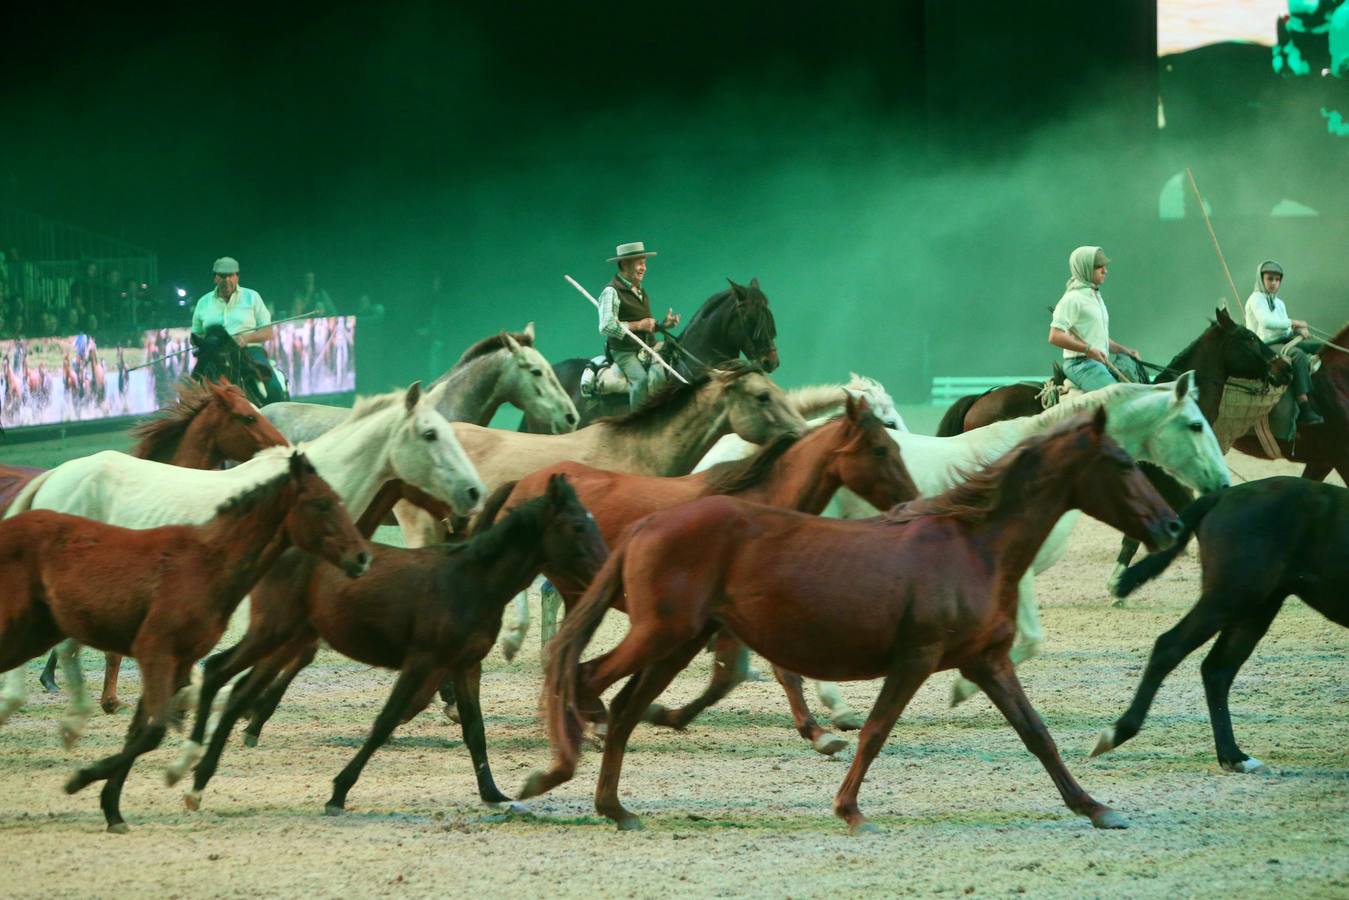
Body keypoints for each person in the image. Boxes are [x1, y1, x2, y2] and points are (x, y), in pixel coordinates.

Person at [596, 241, 680, 408]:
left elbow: (646, 325)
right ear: (625, 264)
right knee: (640, 381)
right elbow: (606, 326)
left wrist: (663, 325)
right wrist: (638, 325)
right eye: (640, 263)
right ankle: (637, 424)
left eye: (645, 263)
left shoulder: (639, 290)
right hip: (625, 350)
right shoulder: (611, 292)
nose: (644, 268)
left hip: (648, 346)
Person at [1047, 245, 1141, 391]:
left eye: (1105, 266)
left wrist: (1125, 351)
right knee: (1117, 396)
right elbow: (1055, 336)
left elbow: (1099, 338)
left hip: (1098, 363)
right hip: (1080, 365)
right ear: (1084, 268)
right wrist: (1088, 350)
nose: (1105, 271)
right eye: (1098, 267)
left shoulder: (1095, 296)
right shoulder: (1072, 299)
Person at [190, 256, 284, 400]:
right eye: (222, 276)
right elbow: (195, 336)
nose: (226, 280)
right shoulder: (203, 302)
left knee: (274, 388)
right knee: (189, 395)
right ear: (215, 278)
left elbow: (268, 332)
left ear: (237, 277)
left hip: (248, 351)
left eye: (230, 276)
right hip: (214, 355)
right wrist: (207, 343)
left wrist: (246, 338)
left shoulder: (252, 297)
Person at [1244, 260, 1323, 425]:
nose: (1273, 283)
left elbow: (1285, 330)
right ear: (1261, 279)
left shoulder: (1279, 303)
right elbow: (1266, 322)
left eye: (1277, 280)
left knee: (1321, 347)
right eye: (1270, 279)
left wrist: (1297, 332)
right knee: (1298, 356)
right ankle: (1304, 408)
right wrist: (1295, 322)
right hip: (1264, 346)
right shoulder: (1255, 299)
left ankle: (1319, 389)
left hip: (1283, 341)